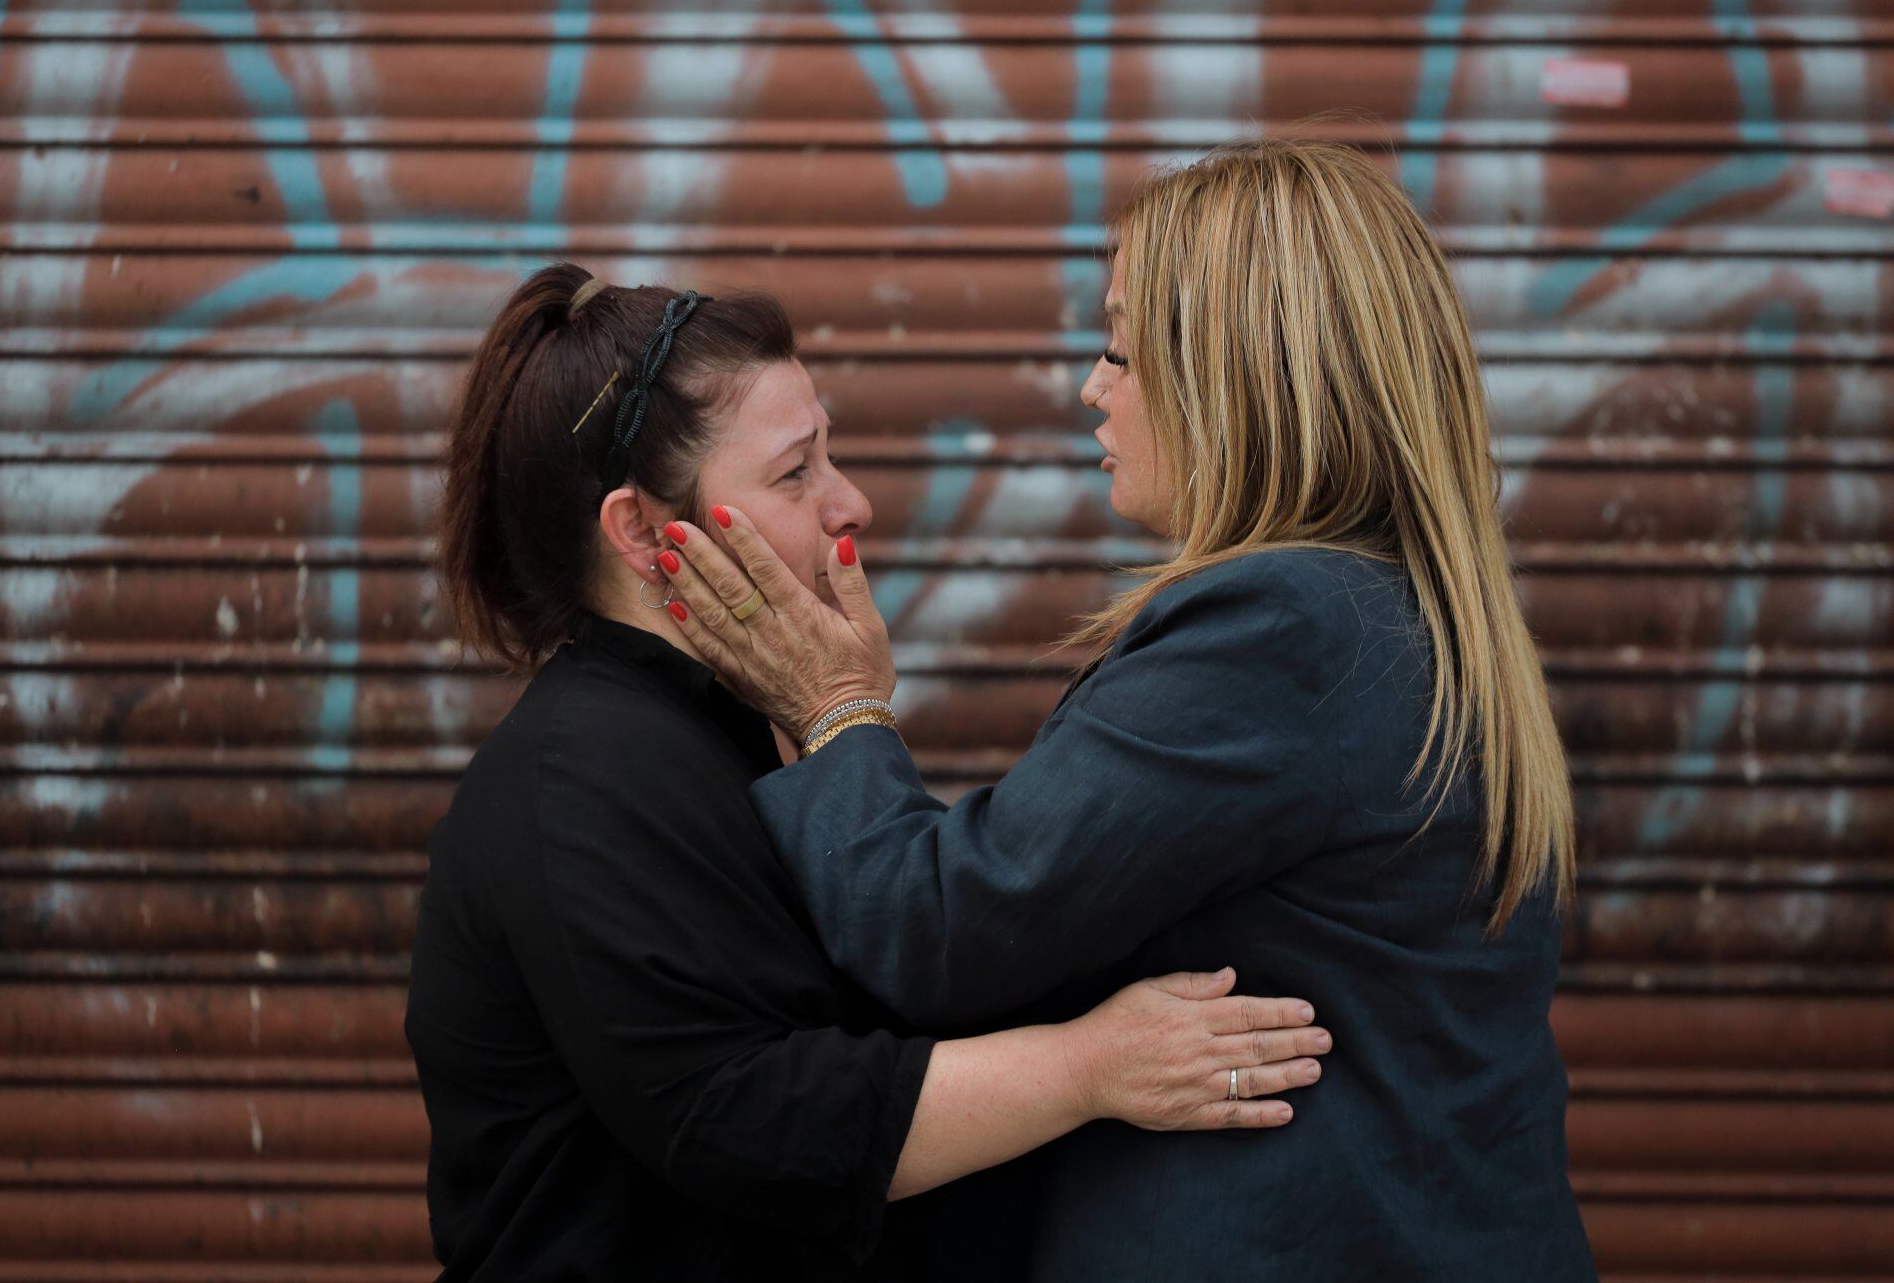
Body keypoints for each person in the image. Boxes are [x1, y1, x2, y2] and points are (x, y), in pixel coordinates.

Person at [654, 140, 1598, 1279]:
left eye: (1118, 346)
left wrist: (836, 706)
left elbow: (942, 932)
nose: (1091, 385)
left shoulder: (1278, 628)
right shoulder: (1402, 608)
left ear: (1239, 374)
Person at [403, 263, 1335, 1280]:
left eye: (830, 455)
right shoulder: (583, 778)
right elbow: (750, 1114)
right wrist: (1092, 1065)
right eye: (796, 472)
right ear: (638, 532)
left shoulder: (727, 721)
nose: (852, 503)